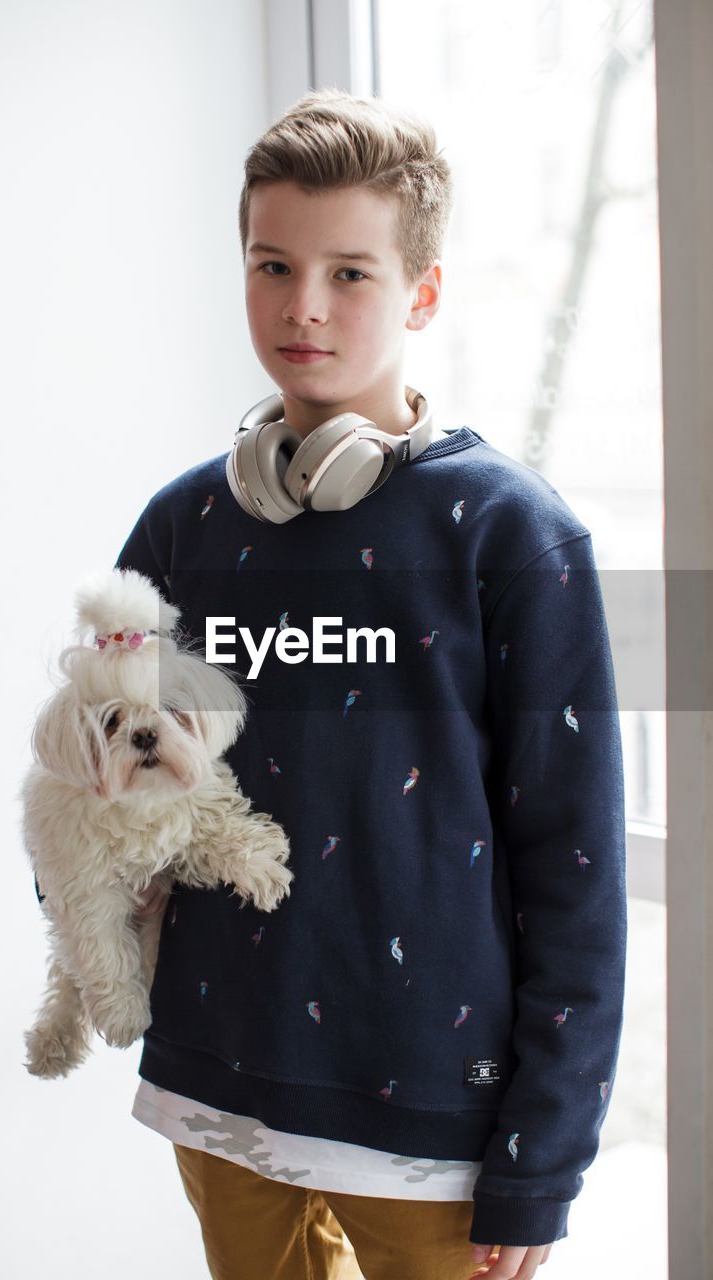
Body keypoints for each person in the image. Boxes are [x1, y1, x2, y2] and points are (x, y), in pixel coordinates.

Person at [118, 88, 627, 1280]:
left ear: (423, 291)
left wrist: (542, 1154)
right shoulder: (183, 525)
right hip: (220, 1084)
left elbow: (574, 864)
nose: (303, 306)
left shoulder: (512, 537)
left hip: (435, 1126)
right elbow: (87, 761)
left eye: (350, 272)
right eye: (272, 263)